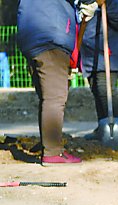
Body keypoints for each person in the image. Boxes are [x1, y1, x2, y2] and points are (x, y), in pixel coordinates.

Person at [17, 0, 89, 165]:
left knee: (46, 96)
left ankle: (48, 144)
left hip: (30, 33)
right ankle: (53, 152)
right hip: (51, 31)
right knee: (55, 98)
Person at [80, 0, 118, 141]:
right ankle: (103, 126)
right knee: (97, 90)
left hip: (108, 55)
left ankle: (113, 132)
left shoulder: (116, 3)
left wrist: (107, 2)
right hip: (90, 55)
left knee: (105, 91)